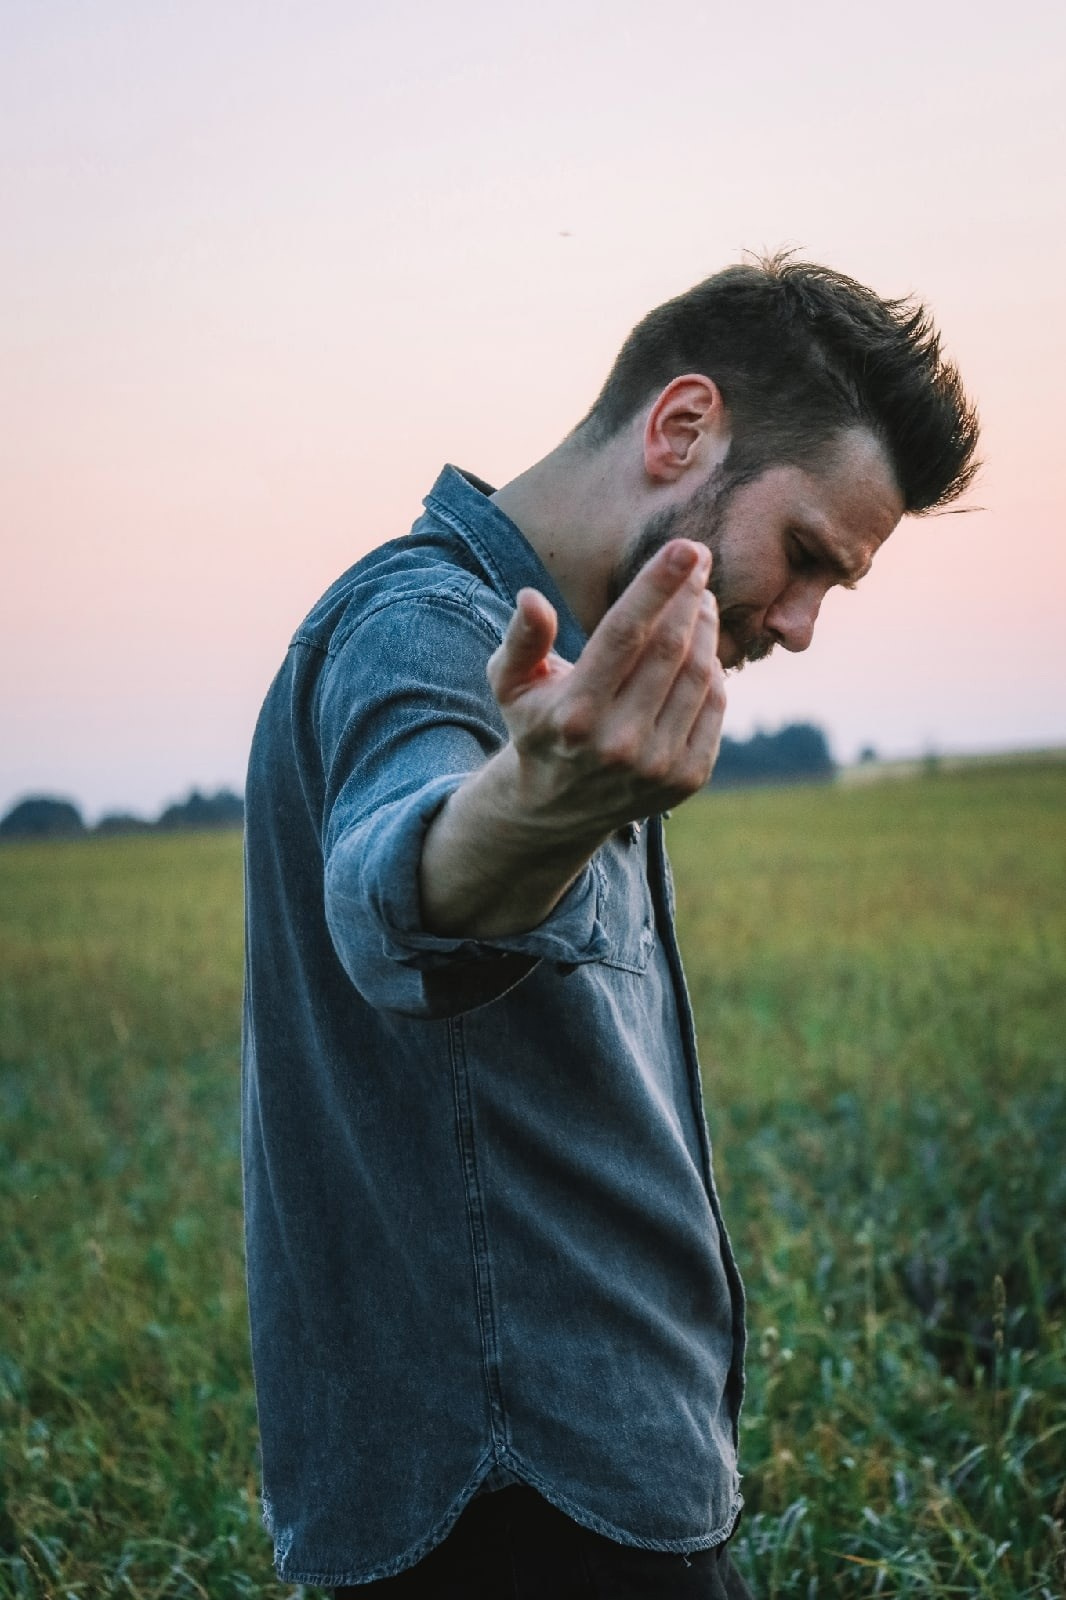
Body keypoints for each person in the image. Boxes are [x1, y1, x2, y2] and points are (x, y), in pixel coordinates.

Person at [241, 254, 979, 1596]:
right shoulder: (424, 631)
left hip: (588, 1471)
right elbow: (393, 885)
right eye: (805, 554)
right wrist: (530, 812)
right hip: (515, 1500)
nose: (804, 625)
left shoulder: (577, 679)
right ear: (680, 428)